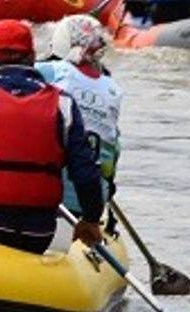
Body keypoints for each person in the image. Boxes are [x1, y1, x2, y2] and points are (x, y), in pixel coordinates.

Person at [0, 19, 105, 254]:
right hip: (37, 233)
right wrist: (91, 219)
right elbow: (86, 173)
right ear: (32, 57)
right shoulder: (63, 104)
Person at [36, 15, 124, 217]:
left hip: (55, 197)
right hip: (94, 197)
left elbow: (5, 77)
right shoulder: (113, 89)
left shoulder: (52, 71)